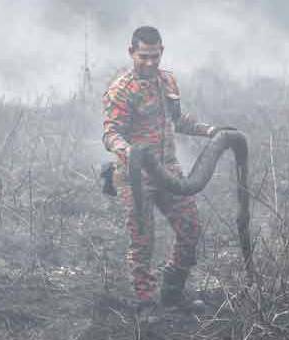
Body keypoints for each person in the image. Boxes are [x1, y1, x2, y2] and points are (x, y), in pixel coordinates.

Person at [102, 26, 220, 312]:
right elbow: (110, 133)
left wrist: (210, 130)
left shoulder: (168, 81)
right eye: (143, 56)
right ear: (131, 53)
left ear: (162, 52)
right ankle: (145, 302)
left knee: (190, 229)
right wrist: (129, 151)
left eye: (155, 56)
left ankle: (172, 290)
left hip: (169, 172)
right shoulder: (122, 89)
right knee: (142, 241)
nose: (150, 62)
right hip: (135, 177)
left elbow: (177, 120)